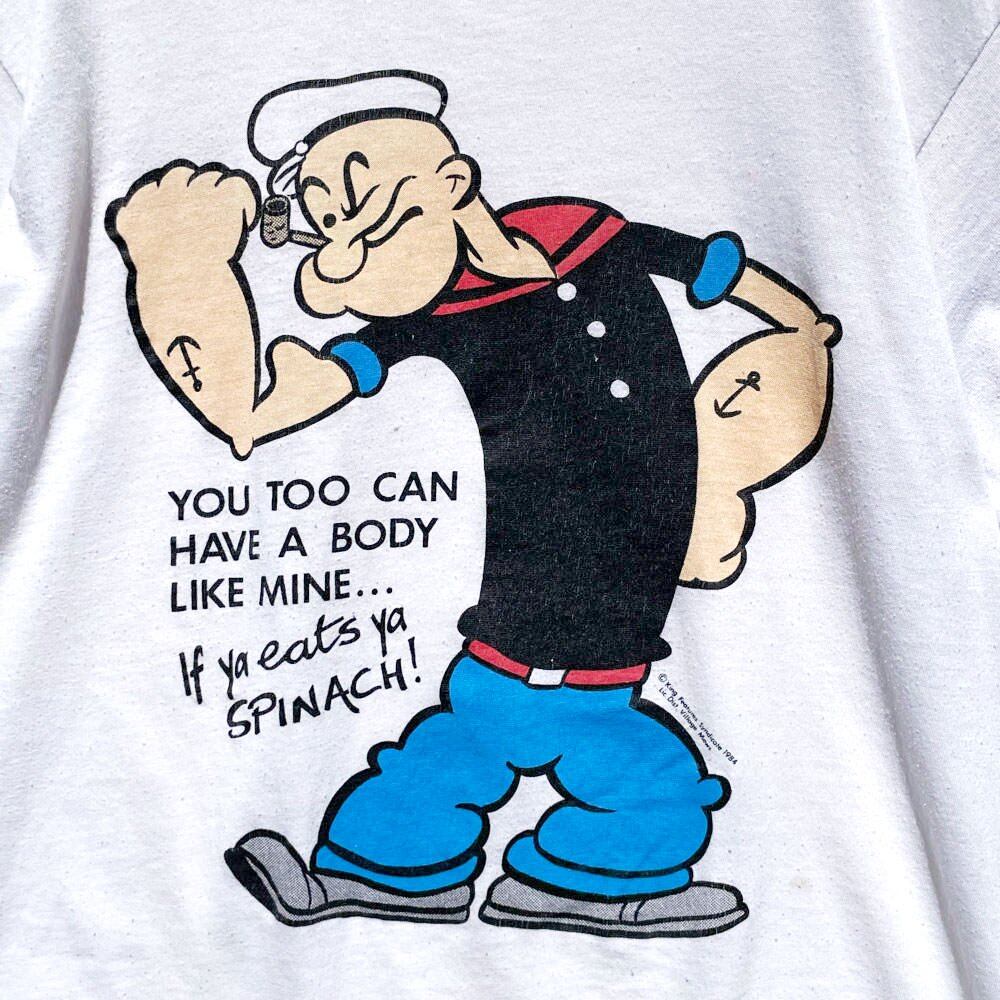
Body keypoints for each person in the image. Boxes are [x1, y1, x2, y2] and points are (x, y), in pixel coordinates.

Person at [105, 70, 840, 937]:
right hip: (526, 620)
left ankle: (523, 878)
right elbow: (255, 412)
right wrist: (180, 269)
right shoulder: (436, 317)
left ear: (452, 181)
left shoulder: (586, 232)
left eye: (356, 202)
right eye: (325, 222)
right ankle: (407, 873)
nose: (340, 242)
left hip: (620, 631)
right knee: (494, 752)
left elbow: (714, 269)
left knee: (581, 764)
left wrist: (803, 329)